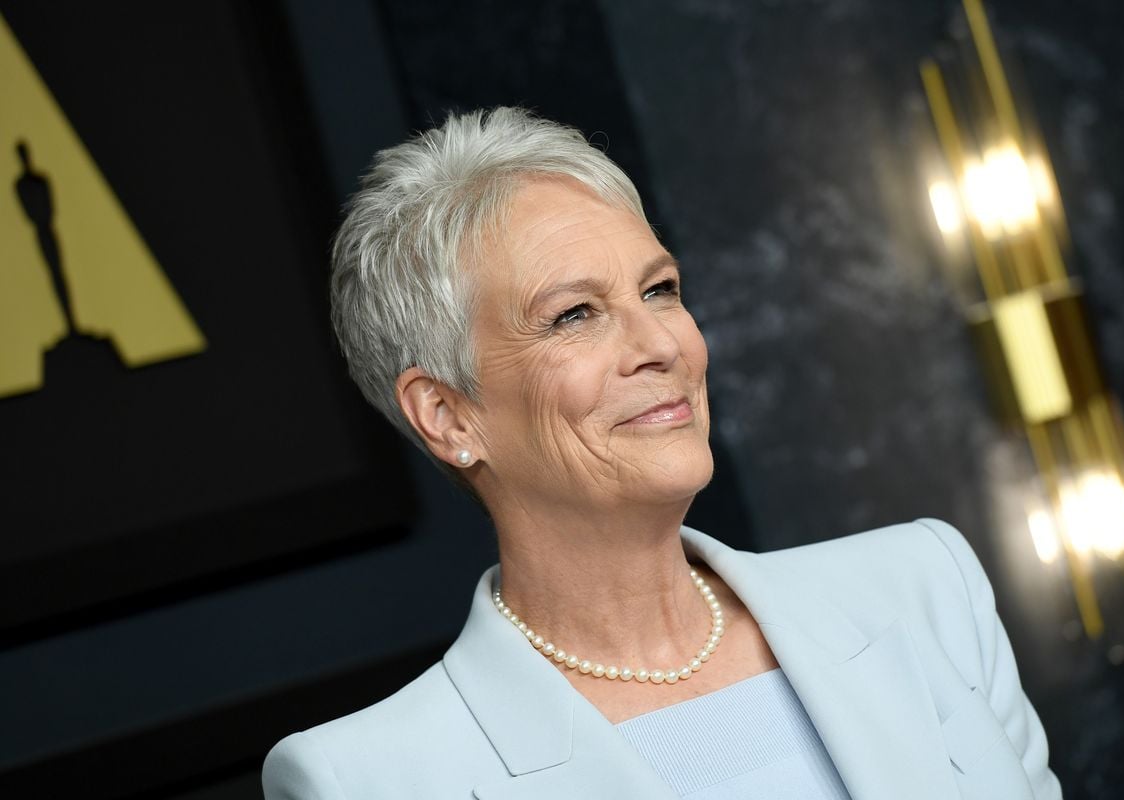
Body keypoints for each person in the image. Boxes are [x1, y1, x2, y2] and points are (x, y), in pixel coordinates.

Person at [263, 107, 1061, 799]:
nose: (659, 345)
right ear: (446, 415)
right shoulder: (367, 779)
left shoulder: (921, 588)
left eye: (660, 290)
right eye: (574, 315)